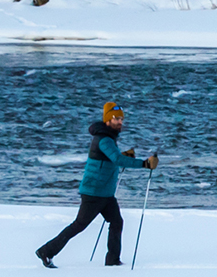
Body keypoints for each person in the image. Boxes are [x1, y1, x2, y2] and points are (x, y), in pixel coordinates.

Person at [36, 102, 157, 267]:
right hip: (94, 193)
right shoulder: (104, 139)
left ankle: (112, 261)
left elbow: (111, 157)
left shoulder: (107, 138)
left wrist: (124, 155)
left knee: (117, 222)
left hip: (105, 193)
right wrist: (144, 164)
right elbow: (116, 159)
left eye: (121, 118)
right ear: (107, 120)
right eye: (116, 119)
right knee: (79, 225)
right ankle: (46, 251)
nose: (120, 122)